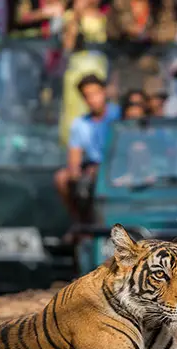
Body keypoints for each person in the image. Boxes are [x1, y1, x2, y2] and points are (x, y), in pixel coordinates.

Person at [54, 75, 121, 238]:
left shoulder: (118, 114)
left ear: (104, 92)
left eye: (95, 93)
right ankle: (80, 225)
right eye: (87, 96)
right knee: (62, 178)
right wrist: (76, 174)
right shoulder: (80, 124)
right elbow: (74, 159)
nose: (92, 99)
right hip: (92, 169)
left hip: (117, 165)